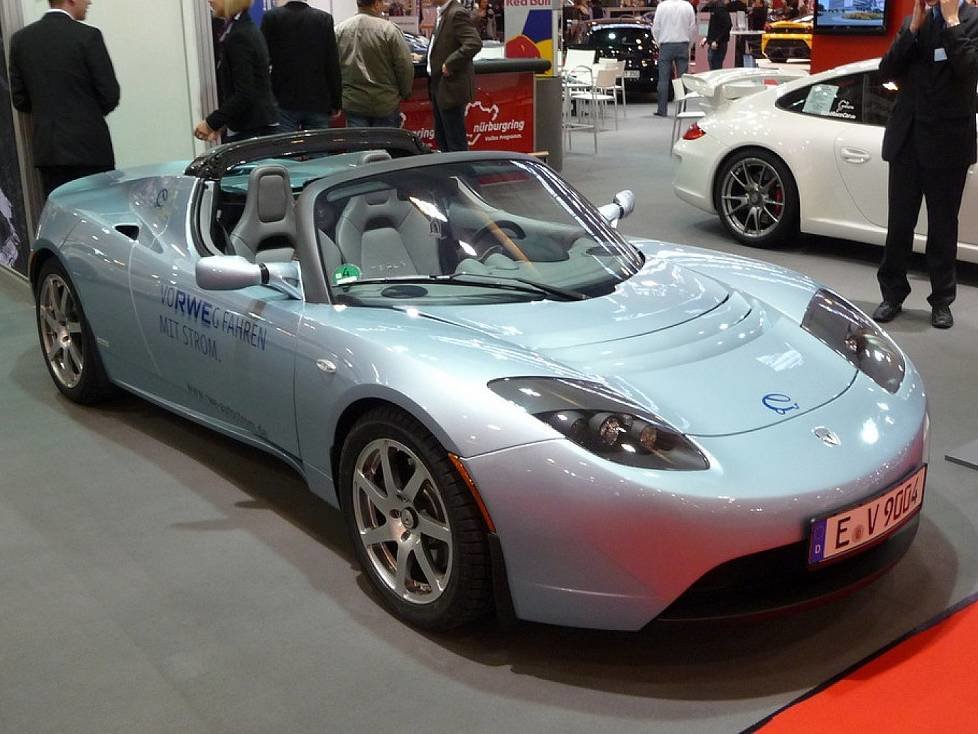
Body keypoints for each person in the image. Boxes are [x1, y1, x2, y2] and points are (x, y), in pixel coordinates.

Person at [872, 0, 978, 329]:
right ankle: (892, 294)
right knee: (899, 226)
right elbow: (886, 70)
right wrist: (912, 30)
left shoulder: (972, 20)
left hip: (949, 144)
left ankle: (941, 300)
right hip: (907, 142)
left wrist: (950, 22)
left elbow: (969, 70)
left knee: (943, 228)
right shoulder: (913, 20)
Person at [8, 0, 120, 197]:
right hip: (91, 149)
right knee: (98, 213)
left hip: (49, 152)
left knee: (61, 219)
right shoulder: (88, 37)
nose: (89, 2)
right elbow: (109, 94)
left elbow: (20, 100)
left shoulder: (21, 40)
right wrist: (87, 115)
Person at [195, 0, 278, 144]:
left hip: (251, 129)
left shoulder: (239, 35)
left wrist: (211, 123)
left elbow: (245, 93)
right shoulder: (244, 29)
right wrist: (222, 123)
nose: (210, 1)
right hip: (255, 125)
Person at [261, 0, 342, 133]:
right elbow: (332, 64)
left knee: (286, 150)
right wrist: (336, 102)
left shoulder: (271, 17)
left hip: (283, 99)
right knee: (318, 151)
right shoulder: (324, 19)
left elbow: (263, 61)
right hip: (318, 100)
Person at [336, 0, 415, 127]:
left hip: (354, 102)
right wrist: (405, 92)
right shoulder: (389, 30)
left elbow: (334, 66)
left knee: (359, 145)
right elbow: (404, 65)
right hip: (385, 102)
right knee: (385, 144)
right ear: (376, 4)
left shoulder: (340, 30)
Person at [427, 0, 482, 151]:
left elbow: (474, 42)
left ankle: (461, 174)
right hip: (440, 86)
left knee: (455, 141)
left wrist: (450, 63)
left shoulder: (456, 13)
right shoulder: (444, 13)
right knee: (443, 138)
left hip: (451, 87)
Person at [652, 0, 697, 116]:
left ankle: (662, 110)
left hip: (666, 45)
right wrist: (689, 45)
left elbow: (656, 28)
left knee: (663, 80)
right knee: (683, 80)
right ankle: (682, 109)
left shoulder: (662, 6)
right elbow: (692, 29)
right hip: (683, 44)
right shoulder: (688, 6)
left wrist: (659, 43)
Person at [701, 0, 732, 69]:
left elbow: (728, 25)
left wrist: (717, 40)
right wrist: (707, 38)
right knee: (713, 65)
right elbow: (714, 27)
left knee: (715, 67)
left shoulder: (720, 9)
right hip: (715, 43)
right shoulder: (714, 8)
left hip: (718, 44)